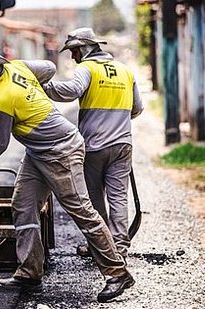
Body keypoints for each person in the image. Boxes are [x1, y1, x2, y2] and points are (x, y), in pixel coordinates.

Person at [0, 43, 134, 303]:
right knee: (23, 204)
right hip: (37, 151)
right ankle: (30, 270)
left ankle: (117, 272)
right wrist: (35, 87)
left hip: (61, 150)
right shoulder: (18, 67)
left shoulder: (1, 99)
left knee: (82, 210)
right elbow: (49, 68)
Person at [44, 28, 144, 259]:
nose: (72, 56)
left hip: (95, 146)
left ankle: (100, 245)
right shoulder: (125, 71)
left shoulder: (87, 68)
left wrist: (43, 87)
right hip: (122, 145)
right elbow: (137, 108)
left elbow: (71, 91)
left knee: (94, 196)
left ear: (84, 48)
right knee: (118, 196)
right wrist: (115, 121)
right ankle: (119, 247)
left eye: (74, 51)